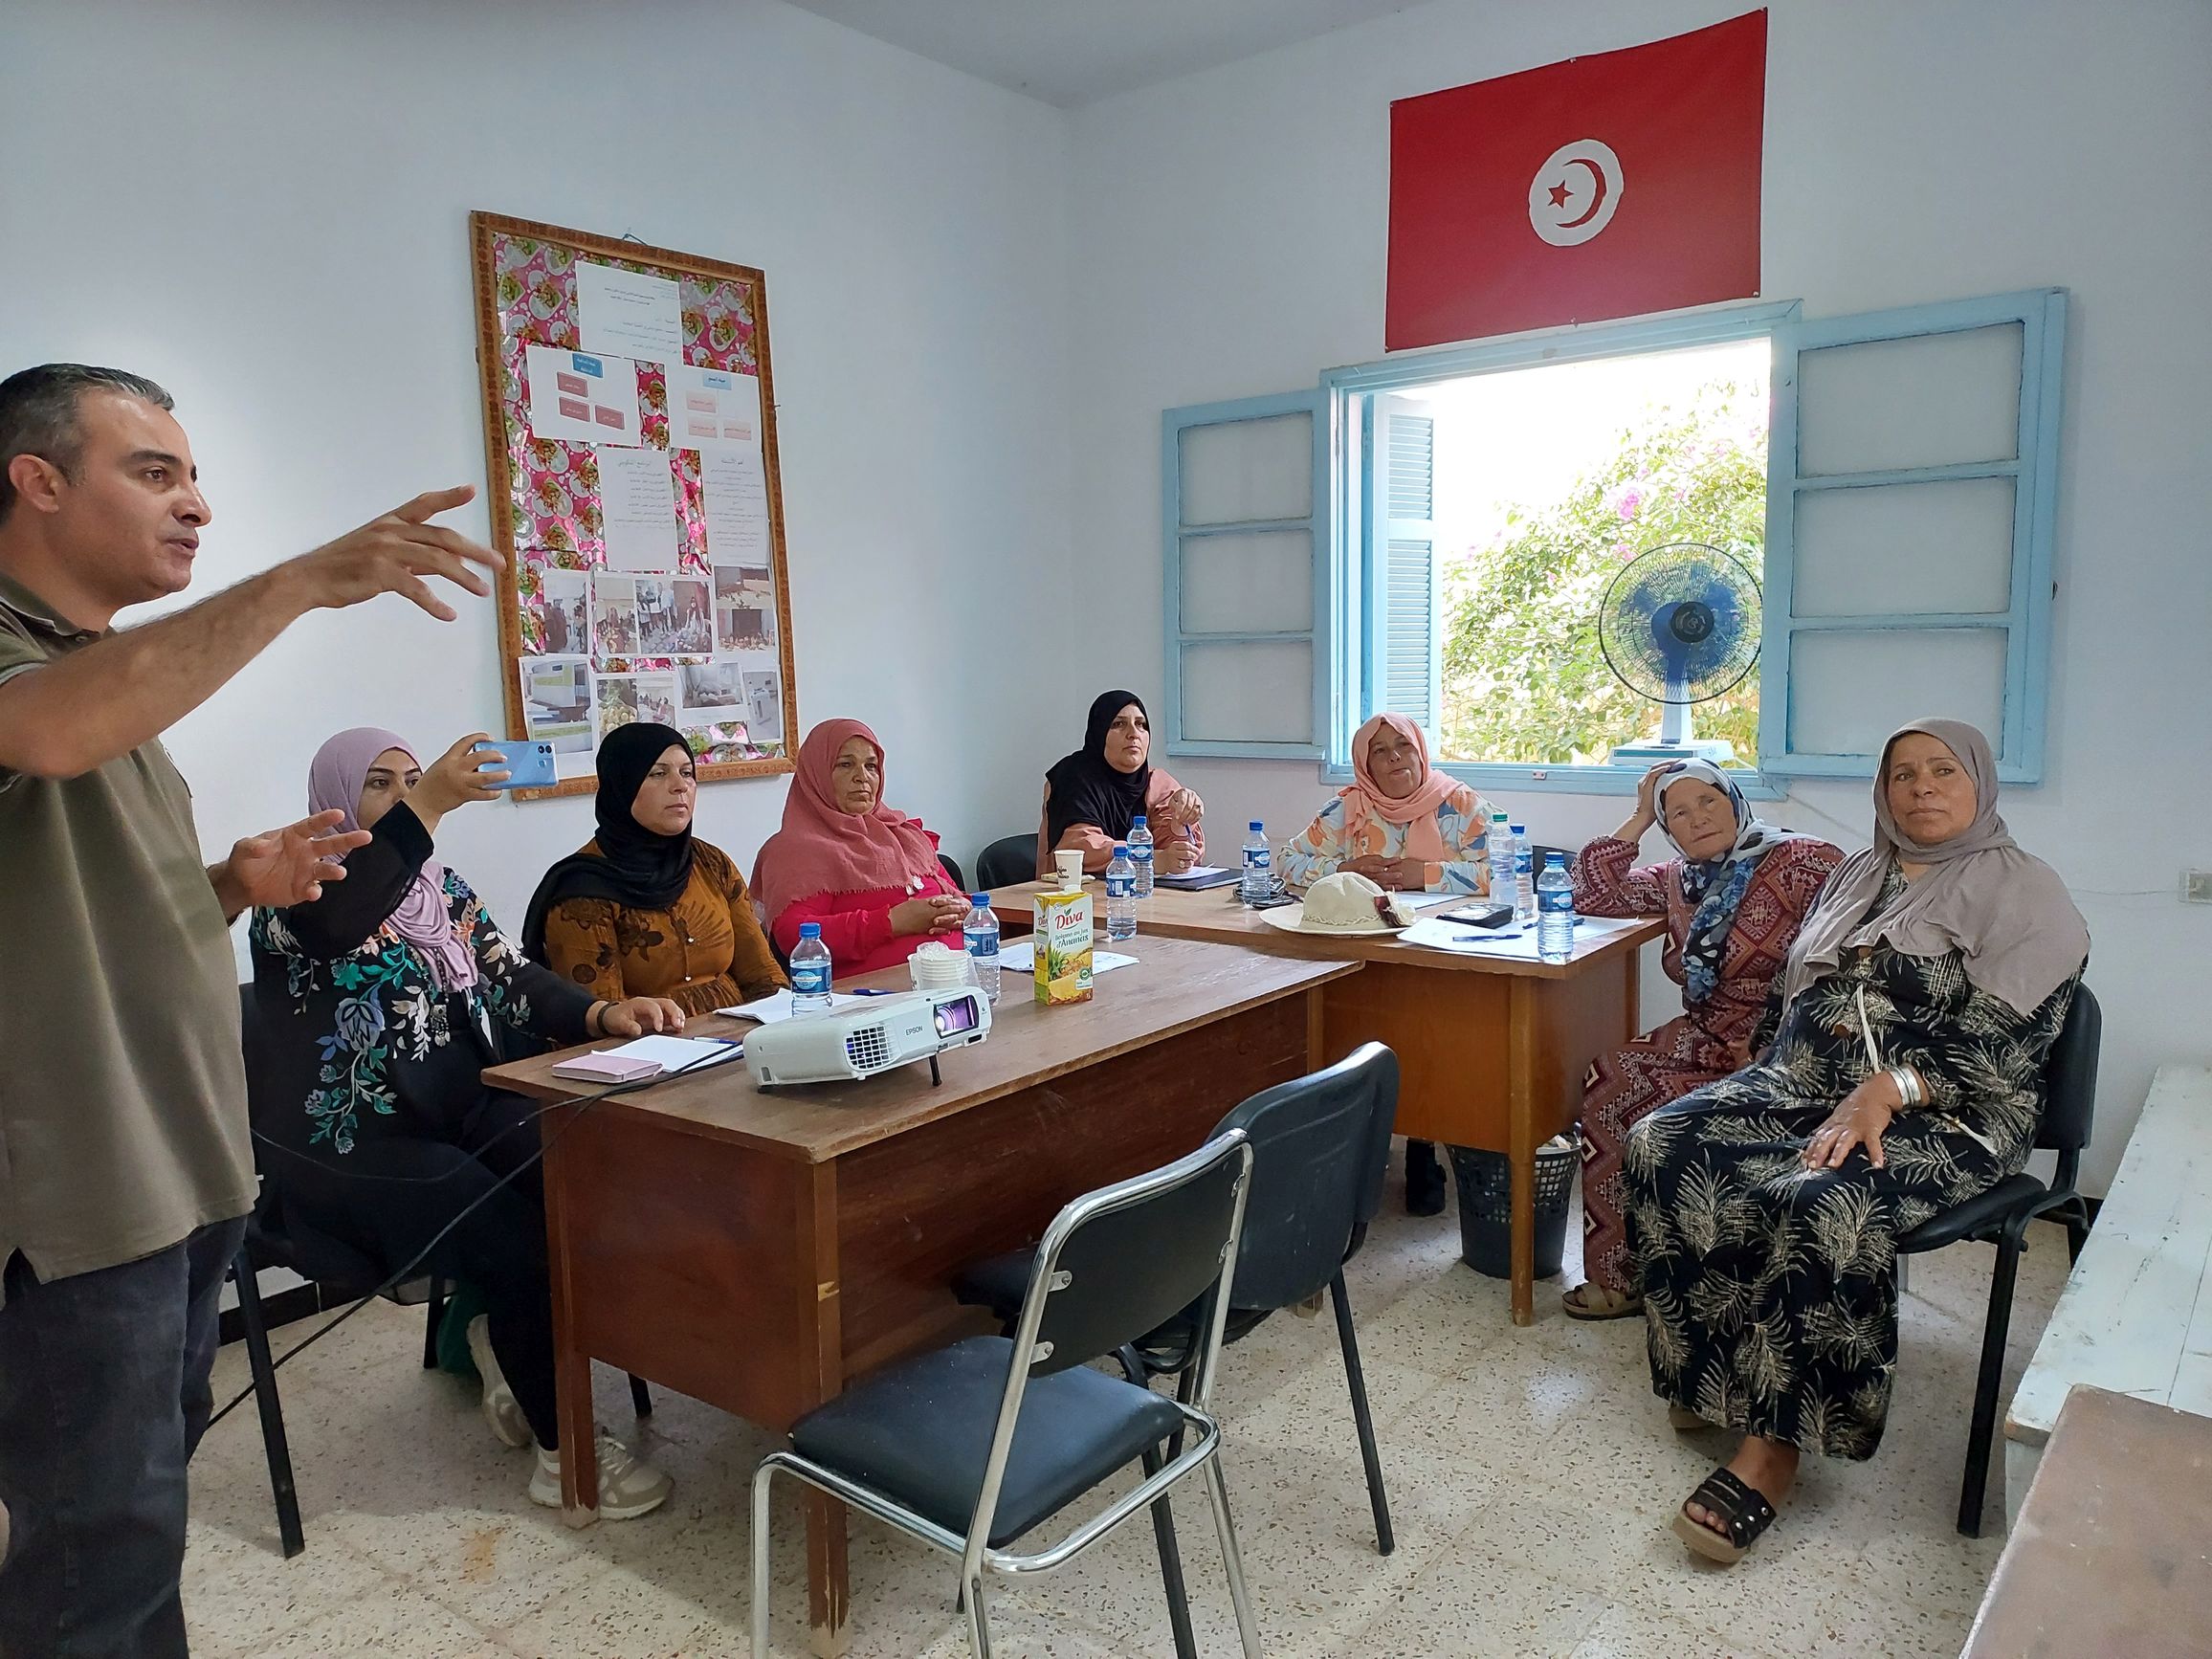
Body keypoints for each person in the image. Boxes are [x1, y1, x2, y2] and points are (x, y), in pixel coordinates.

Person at [0, 362, 504, 1656]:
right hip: (75, 1200)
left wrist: (233, 879)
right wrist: (300, 582)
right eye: (154, 471)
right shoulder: (42, 679)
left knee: (134, 1525)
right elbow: (46, 736)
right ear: (37, 481)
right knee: (92, 1562)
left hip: (183, 1171)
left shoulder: (99, 674)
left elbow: (91, 914)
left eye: (194, 474)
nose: (199, 507)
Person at [1623, 720, 2089, 1563]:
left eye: (1944, 770)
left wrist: (1891, 1088)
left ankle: (1774, 1447)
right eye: (1904, 773)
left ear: (1980, 783)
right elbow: (1797, 992)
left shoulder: (2027, 893)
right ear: (1883, 792)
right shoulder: (1856, 873)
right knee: (1662, 1140)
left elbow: (2006, 1047)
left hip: (1948, 1112)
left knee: (1823, 1198)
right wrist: (1754, 1066)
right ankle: (1709, 1371)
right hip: (1803, 1083)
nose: (1923, 787)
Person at [249, 728, 682, 1517]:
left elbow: (510, 977)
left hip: (458, 1108)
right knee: (514, 1241)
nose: (400, 797)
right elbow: (336, 923)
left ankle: (494, 1332)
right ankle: (567, 1454)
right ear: (335, 802)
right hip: (352, 1145)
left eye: (410, 781)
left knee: (586, 1169)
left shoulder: (438, 890)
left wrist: (601, 1011)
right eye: (380, 785)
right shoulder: (293, 895)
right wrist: (430, 803)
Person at [1561, 762, 1843, 1319]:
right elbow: (1590, 893)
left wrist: (1773, 1036)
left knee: (1695, 1129)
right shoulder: (1677, 879)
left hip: (1791, 1043)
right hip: (1707, 1033)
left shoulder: (1804, 861)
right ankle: (1622, 1275)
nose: (1697, 820)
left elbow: (1842, 961)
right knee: (1611, 1077)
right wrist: (1639, 815)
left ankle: (1721, 1291)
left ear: (1734, 800)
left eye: (1708, 802)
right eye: (1678, 813)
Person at [1280, 712, 1504, 1215]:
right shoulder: (1347, 808)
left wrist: (1422, 874)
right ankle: (1362, 1144)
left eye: (1402, 746)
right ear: (1365, 764)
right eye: (1380, 751)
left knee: (1430, 1038)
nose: (1394, 758)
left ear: (1420, 750)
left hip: (1440, 959)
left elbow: (1503, 869)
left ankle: (1426, 1147)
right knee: (1359, 1027)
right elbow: (1287, 862)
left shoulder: (1460, 804)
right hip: (1362, 955)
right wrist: (1342, 867)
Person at [524, 721, 785, 1015]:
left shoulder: (711, 864)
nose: (680, 786)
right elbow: (601, 1016)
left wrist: (782, 1027)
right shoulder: (584, 890)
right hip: (645, 1047)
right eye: (658, 774)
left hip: (737, 1038)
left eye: (687, 773)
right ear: (622, 786)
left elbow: (762, 974)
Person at [752, 719, 970, 977]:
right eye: (845, 765)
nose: (862, 777)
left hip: (952, 979)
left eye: (871, 766)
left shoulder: (904, 835)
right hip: (868, 1000)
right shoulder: (795, 849)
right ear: (817, 774)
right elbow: (796, 937)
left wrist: (961, 913)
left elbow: (958, 898)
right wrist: (892, 922)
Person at [1037, 690, 1204, 877]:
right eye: (1118, 724)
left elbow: (1179, 859)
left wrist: (1181, 823)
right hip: (1072, 899)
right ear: (1099, 732)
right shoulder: (1072, 776)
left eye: (1141, 725)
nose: (1133, 734)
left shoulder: (1156, 782)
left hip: (1144, 897)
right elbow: (1080, 847)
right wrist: (1152, 860)